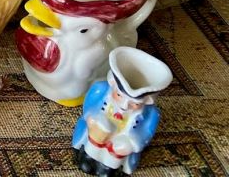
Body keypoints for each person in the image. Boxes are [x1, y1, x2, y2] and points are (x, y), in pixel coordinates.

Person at [72, 47, 172, 175]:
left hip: (122, 139)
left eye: (135, 103)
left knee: (121, 146)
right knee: (100, 130)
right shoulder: (100, 89)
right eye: (119, 95)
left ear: (147, 100)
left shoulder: (151, 114)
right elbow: (89, 106)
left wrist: (133, 142)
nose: (124, 106)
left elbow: (146, 133)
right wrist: (91, 118)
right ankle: (88, 158)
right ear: (113, 83)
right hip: (96, 133)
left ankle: (107, 167)